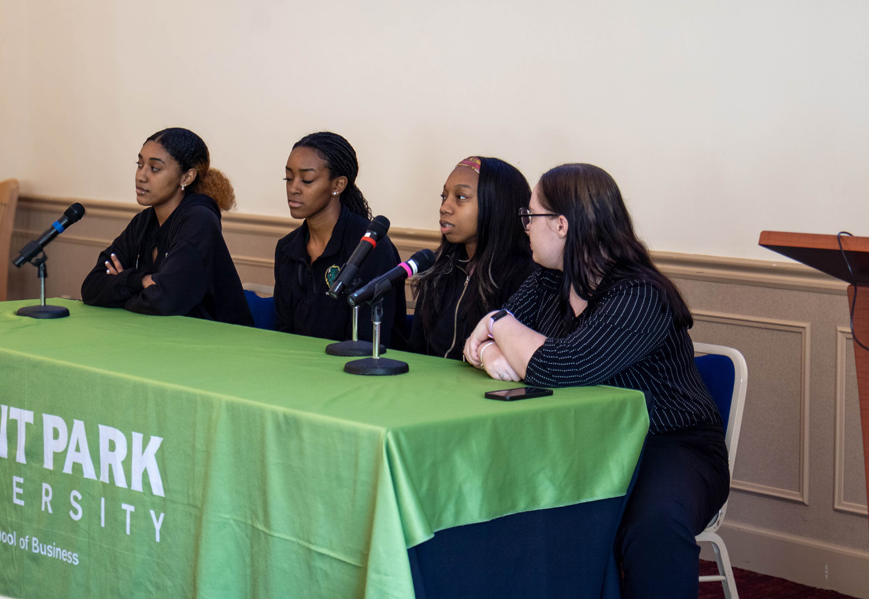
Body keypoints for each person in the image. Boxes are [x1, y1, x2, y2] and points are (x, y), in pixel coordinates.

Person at [463, 163, 729, 598]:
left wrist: (496, 326)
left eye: (531, 216)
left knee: (653, 526)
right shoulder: (548, 279)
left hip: (669, 443)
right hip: (583, 439)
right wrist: (494, 345)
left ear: (562, 225)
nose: (525, 227)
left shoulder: (639, 294)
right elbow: (482, 342)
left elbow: (559, 367)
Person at [81, 127, 253, 325]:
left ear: (186, 177)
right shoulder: (144, 221)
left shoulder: (200, 220)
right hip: (162, 337)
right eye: (140, 164)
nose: (141, 176)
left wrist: (120, 289)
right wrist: (141, 281)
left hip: (218, 344)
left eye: (155, 168)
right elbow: (92, 287)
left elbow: (164, 301)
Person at [274, 131, 404, 344]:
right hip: (297, 369)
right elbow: (283, 332)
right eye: (288, 178)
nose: (293, 188)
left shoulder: (371, 247)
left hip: (358, 370)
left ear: (338, 185)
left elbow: (368, 340)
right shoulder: (287, 248)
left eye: (306, 180)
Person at [407, 156, 535, 359]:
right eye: (444, 196)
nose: (445, 207)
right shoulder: (439, 270)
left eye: (461, 197)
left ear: (496, 205)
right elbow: (417, 354)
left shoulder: (527, 278)